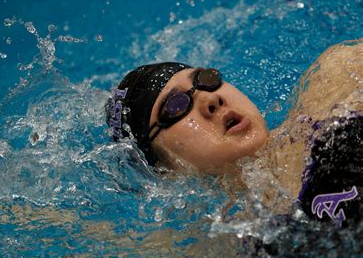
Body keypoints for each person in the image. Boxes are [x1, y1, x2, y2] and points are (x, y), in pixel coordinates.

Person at [106, 39, 362, 227]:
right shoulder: (232, 239)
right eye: (175, 107)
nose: (210, 99)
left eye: (205, 79)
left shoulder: (337, 87)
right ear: (163, 171)